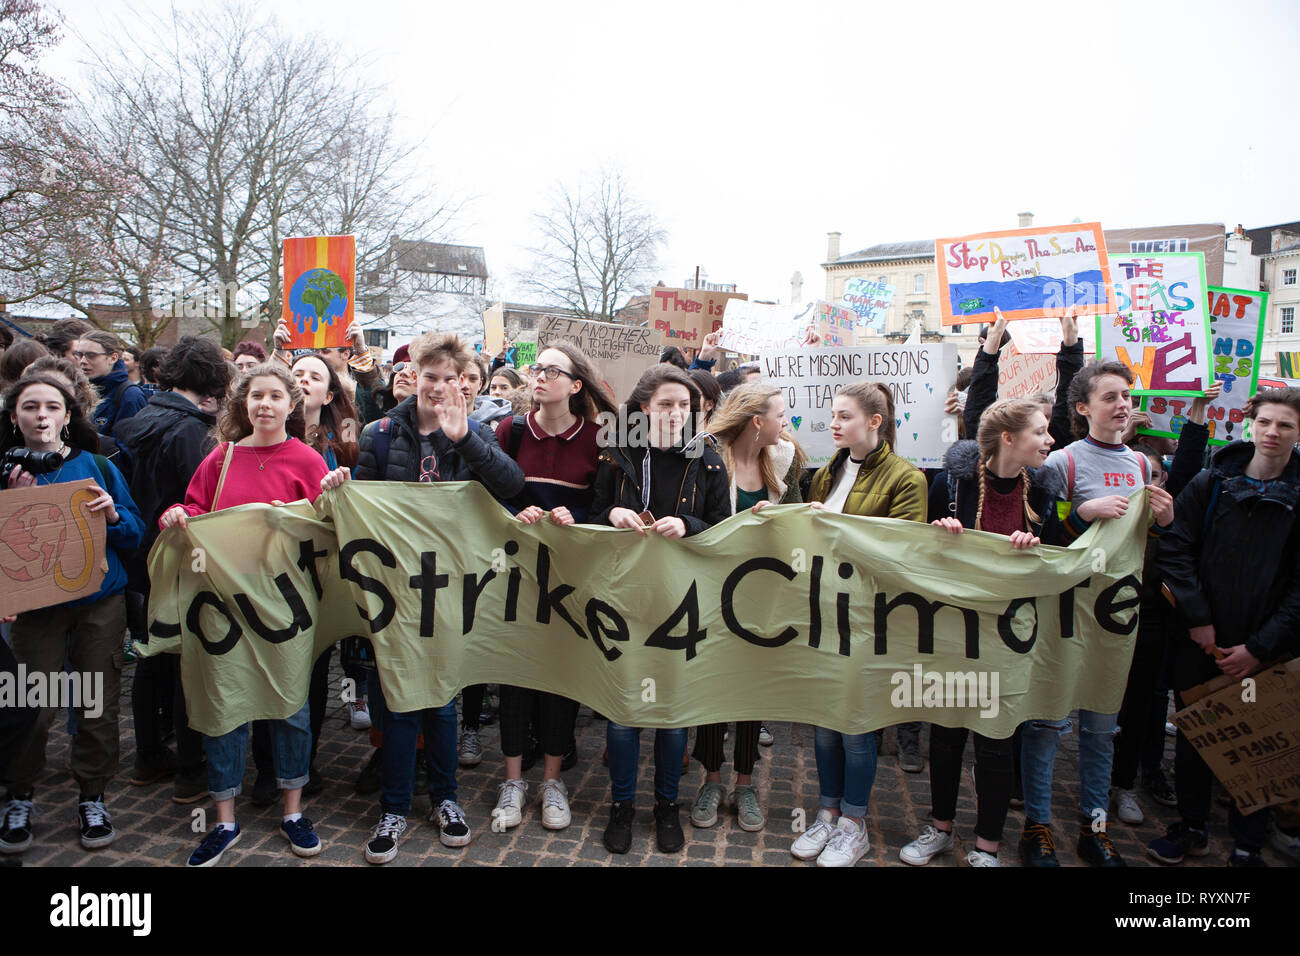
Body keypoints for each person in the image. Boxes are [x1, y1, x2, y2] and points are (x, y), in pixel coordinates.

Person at [158, 363, 347, 866]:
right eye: (255, 396)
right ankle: (224, 819)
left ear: (292, 404)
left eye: (274, 396)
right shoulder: (221, 458)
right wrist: (177, 516)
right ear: (243, 404)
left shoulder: (309, 460)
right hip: (221, 604)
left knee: (291, 706)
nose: (264, 404)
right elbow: (194, 511)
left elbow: (328, 530)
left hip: (286, 606)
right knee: (225, 706)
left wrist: (337, 495)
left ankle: (292, 811)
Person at [350, 332, 524, 865]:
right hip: (398, 589)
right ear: (416, 377)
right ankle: (395, 808)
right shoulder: (380, 433)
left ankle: (446, 800)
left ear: (463, 383)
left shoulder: (473, 432)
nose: (440, 386)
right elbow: (362, 502)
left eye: (451, 378)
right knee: (400, 698)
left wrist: (465, 439)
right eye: (431, 377)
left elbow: (511, 486)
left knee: (443, 697)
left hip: (453, 586)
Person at [1017, 361, 1176, 867]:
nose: (1122, 404)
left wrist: (1164, 523)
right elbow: (1042, 538)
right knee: (1046, 724)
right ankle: (1036, 827)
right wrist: (1081, 514)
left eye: (1126, 395)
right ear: (1083, 408)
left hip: (1114, 616)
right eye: (1109, 397)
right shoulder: (1061, 462)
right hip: (1064, 613)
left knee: (1101, 729)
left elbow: (1143, 544)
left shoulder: (1139, 465)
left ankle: (1095, 826)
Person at [902, 399, 1069, 867]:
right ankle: (939, 828)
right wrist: (940, 534)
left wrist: (1034, 549)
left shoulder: (1042, 491)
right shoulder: (949, 485)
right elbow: (918, 557)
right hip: (955, 631)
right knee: (947, 734)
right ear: (1009, 439)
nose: (1050, 440)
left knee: (996, 740)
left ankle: (987, 847)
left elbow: (1056, 561)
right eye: (1040, 431)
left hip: (1010, 637)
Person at [1150, 387, 1300, 867]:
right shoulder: (1213, 481)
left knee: (1258, 740)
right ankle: (1192, 826)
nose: (1273, 433)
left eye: (1286, 425)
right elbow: (1176, 547)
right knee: (1197, 734)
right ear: (1249, 423)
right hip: (1203, 644)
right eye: (1266, 422)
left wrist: (1259, 647)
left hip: (1265, 650)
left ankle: (1248, 841)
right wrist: (1198, 621)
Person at [0, 372, 145, 855]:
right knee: (29, 705)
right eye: (29, 406)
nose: (41, 415)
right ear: (14, 415)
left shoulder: (98, 467)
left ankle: (92, 795)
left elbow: (135, 534)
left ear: (67, 415)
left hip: (98, 602)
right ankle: (19, 794)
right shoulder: (4, 470)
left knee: (95, 701)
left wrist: (113, 515)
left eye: (51, 407)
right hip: (34, 609)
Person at [592, 364, 731, 855]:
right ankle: (622, 807)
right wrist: (612, 513)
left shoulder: (708, 458)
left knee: (672, 713)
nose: (676, 414)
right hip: (624, 597)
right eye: (666, 404)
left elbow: (723, 526)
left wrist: (688, 524)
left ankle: (667, 806)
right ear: (644, 408)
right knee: (625, 711)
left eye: (685, 406)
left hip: (682, 599)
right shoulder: (616, 454)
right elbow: (590, 514)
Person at [791, 381, 927, 867]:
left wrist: (834, 528)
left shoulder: (907, 479)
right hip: (825, 612)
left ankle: (854, 822)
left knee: (856, 726)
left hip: (871, 619)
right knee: (826, 724)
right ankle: (827, 814)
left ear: (875, 421)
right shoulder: (827, 471)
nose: (833, 423)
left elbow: (902, 557)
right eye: (832, 414)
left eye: (844, 416)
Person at [488, 342, 619, 833]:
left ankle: (552, 782)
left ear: (576, 384)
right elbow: (484, 497)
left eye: (552, 370)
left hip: (571, 578)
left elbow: (604, 506)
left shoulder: (599, 438)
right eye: (536, 368)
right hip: (516, 574)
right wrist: (510, 514)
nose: (540, 376)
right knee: (516, 675)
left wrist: (578, 516)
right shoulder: (511, 429)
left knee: (561, 678)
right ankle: (513, 782)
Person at [115, 337, 232, 804]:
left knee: (151, 654)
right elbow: (202, 502)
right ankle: (189, 767)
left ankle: (148, 756)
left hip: (140, 558)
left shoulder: (136, 420)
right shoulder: (193, 433)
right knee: (187, 660)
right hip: (181, 556)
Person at [686, 383, 806, 833]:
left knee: (753, 689)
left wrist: (795, 517)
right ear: (757, 420)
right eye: (781, 414)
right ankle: (712, 780)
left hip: (763, 591)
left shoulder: (784, 459)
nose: (786, 423)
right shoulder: (705, 457)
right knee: (716, 686)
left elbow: (792, 521)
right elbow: (699, 522)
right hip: (713, 589)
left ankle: (745, 781)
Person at [74, 331, 148, 441]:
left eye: (91, 355)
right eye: (79, 355)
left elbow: (128, 449)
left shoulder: (130, 396)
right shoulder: (77, 390)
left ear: (113, 358)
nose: (83, 361)